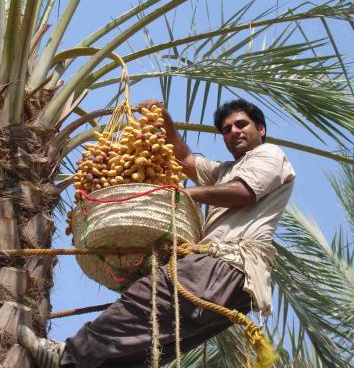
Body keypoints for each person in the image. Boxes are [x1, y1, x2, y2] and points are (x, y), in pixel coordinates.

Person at [19, 99, 296, 368]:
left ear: (259, 129)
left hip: (226, 262)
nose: (234, 131)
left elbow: (243, 193)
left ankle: (69, 355)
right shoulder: (226, 170)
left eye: (241, 125)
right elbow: (185, 159)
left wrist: (185, 193)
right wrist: (165, 121)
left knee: (146, 296)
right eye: (226, 129)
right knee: (154, 338)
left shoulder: (268, 155)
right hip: (234, 286)